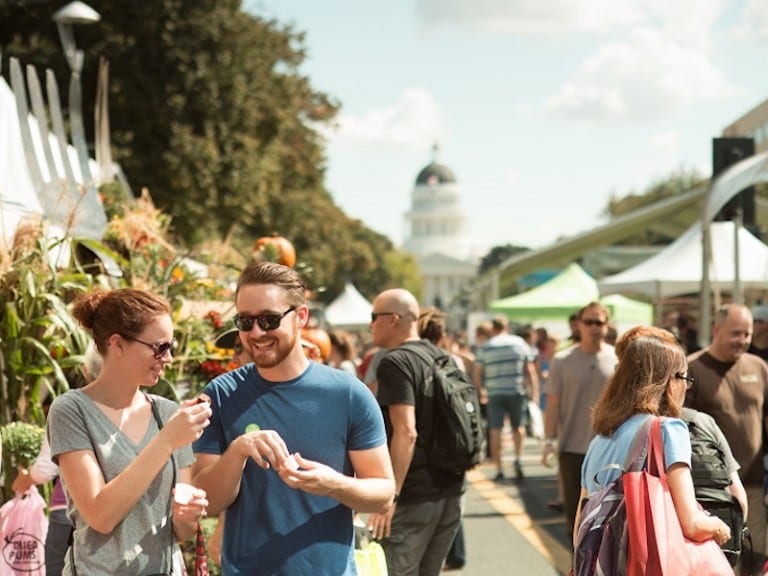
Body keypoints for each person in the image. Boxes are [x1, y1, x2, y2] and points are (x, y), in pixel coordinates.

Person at [191, 262, 394, 574]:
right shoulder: (220, 395)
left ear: (301, 317)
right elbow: (206, 501)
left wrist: (334, 485)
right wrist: (238, 451)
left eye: (269, 320)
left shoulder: (349, 394)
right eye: (245, 321)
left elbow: (382, 493)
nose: (256, 333)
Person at [47, 288, 212, 575]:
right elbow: (101, 515)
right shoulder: (71, 411)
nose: (169, 358)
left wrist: (188, 515)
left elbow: (181, 531)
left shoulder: (169, 415)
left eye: (171, 346)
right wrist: (166, 441)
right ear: (117, 345)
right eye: (159, 347)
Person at [576, 326, 731, 550]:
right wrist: (719, 526)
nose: (686, 387)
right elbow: (693, 524)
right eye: (685, 378)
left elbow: (579, 530)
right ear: (670, 381)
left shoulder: (598, 442)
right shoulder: (668, 430)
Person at [367, 289, 464, 576]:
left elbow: (406, 432)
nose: (370, 324)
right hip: (452, 490)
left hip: (414, 496)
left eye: (374, 317)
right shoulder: (441, 356)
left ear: (393, 320)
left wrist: (390, 497)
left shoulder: (395, 362)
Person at [685, 303, 768, 574]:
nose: (742, 340)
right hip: (711, 490)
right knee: (720, 558)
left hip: (753, 481)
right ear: (716, 330)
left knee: (756, 553)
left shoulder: (759, 368)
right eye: (735, 333)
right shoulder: (691, 370)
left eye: (746, 334)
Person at [12, 344, 102, 576]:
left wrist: (25, 479)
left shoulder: (68, 410)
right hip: (113, 519)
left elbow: (45, 468)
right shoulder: (136, 412)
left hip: (67, 511)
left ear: (84, 370)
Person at [542, 301, 618, 546]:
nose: (595, 327)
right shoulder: (562, 360)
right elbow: (552, 405)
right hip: (572, 450)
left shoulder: (618, 359)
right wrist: (548, 441)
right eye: (589, 322)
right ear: (578, 325)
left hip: (610, 450)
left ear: (607, 325)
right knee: (575, 521)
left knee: (608, 522)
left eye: (600, 322)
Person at [416, 307, 468, 571]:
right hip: (457, 445)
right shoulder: (453, 361)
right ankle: (458, 554)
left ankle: (452, 555)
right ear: (442, 334)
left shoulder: (415, 360)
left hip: (430, 447)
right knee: (452, 506)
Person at [474, 315, 538, 482]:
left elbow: (477, 371)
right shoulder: (519, 343)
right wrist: (534, 391)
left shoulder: (486, 347)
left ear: (493, 328)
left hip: (494, 392)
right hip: (516, 390)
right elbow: (530, 370)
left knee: (495, 429)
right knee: (519, 427)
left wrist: (481, 390)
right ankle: (517, 459)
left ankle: (499, 469)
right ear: (506, 326)